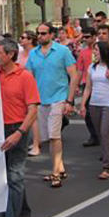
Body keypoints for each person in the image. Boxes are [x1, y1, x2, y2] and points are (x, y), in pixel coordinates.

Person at [0, 39, 40, 217]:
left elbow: (33, 109)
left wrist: (20, 132)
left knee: (15, 175)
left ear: (10, 54)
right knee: (9, 175)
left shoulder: (25, 77)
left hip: (17, 128)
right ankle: (24, 213)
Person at [24, 22, 78, 188]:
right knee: (47, 138)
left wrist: (69, 100)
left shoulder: (63, 51)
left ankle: (55, 173)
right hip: (41, 100)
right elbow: (28, 77)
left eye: (44, 33)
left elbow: (74, 76)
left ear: (52, 35)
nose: (40, 36)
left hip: (58, 98)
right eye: (38, 33)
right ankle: (60, 168)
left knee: (55, 136)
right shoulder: (33, 54)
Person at [79, 41, 109, 179]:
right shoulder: (92, 68)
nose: (94, 53)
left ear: (104, 51)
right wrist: (82, 104)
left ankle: (107, 165)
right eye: (94, 50)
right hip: (94, 104)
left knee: (106, 133)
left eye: (97, 50)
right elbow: (88, 87)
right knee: (101, 134)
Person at [75, 27, 98, 147]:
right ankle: (94, 136)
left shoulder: (100, 50)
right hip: (86, 84)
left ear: (95, 37)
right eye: (84, 37)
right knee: (87, 112)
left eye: (88, 37)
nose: (85, 39)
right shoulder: (83, 52)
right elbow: (79, 70)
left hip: (100, 85)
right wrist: (76, 85)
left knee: (101, 113)